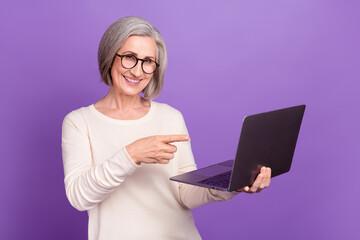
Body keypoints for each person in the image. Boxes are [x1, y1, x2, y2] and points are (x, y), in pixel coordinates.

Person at [61, 16, 271, 240]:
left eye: (148, 61)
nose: (138, 71)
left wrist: (232, 184)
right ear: (109, 56)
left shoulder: (170, 117)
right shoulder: (79, 122)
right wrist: (132, 154)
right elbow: (79, 197)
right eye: (130, 57)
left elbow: (184, 192)